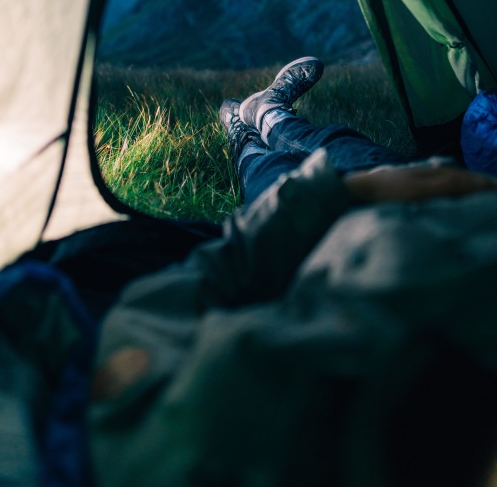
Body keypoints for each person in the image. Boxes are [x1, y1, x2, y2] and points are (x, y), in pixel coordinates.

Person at [89, 58, 497, 487]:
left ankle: (241, 133)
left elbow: (161, 305)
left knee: (274, 177)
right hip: (428, 203)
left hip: (316, 248)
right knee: (336, 145)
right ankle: (268, 111)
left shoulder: (216, 445)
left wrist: (340, 195)